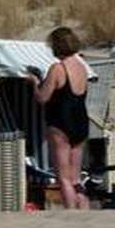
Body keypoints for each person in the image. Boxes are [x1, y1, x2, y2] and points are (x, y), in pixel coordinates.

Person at [31, 25, 92, 210]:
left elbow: (43, 97)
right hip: (81, 121)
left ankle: (71, 215)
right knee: (75, 177)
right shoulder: (82, 66)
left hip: (60, 123)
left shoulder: (57, 68)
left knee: (63, 177)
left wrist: (34, 83)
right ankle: (86, 212)